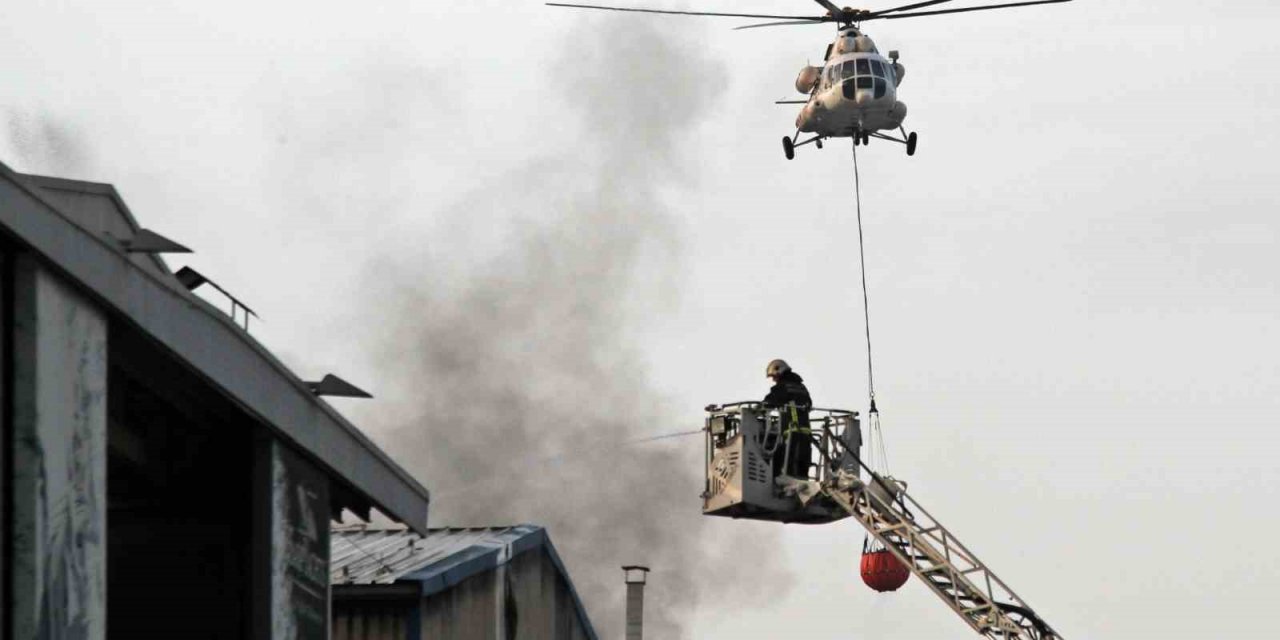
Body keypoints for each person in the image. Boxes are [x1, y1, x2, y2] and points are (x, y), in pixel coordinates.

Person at [762, 359, 813, 480]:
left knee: (787, 466)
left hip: (791, 431)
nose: (773, 380)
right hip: (806, 432)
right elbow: (809, 404)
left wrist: (755, 410)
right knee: (802, 469)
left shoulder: (782, 387)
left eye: (774, 376)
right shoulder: (801, 387)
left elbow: (768, 403)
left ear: (779, 372)